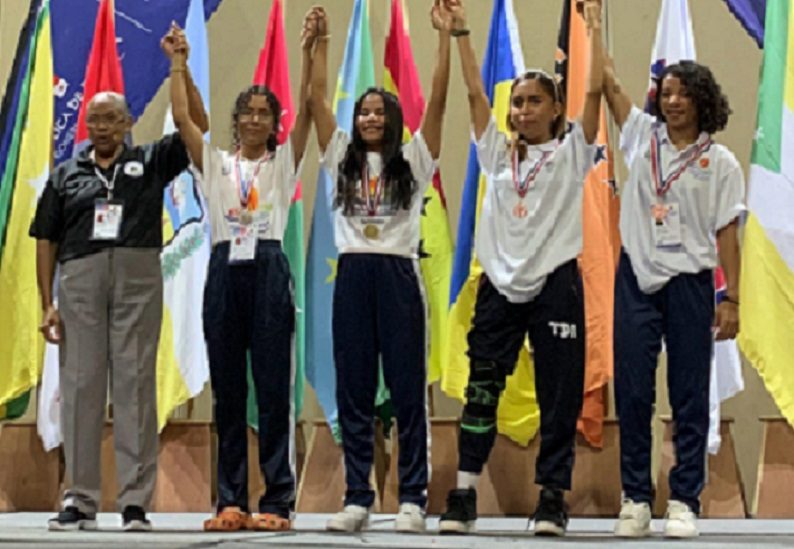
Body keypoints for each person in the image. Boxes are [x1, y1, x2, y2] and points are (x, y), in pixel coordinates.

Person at [437, 0, 604, 537]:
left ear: (556, 110)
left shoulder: (574, 152)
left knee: (559, 394)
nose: (524, 110)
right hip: (499, 286)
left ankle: (552, 499)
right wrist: (461, 34)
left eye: (535, 102)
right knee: (482, 389)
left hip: (555, 283)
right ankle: (464, 493)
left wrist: (594, 29)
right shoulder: (495, 153)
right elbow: (473, 93)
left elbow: (595, 93)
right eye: (518, 102)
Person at [32, 29, 208, 532]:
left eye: (111, 118)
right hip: (80, 278)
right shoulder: (66, 174)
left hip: (137, 275)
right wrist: (48, 302)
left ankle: (134, 502)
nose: (102, 127)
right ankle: (80, 498)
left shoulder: (150, 161)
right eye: (95, 120)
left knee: (134, 387)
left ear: (129, 122)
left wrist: (179, 66)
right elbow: (45, 239)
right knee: (81, 386)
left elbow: (197, 125)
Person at [168, 12, 315, 531]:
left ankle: (277, 501)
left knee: (273, 393)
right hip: (224, 267)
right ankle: (229, 501)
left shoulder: (283, 164)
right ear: (235, 121)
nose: (254, 120)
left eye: (263, 113)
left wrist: (310, 52)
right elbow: (183, 119)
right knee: (228, 393)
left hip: (269, 267)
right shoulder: (214, 163)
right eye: (247, 112)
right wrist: (178, 64)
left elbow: (309, 110)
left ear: (275, 123)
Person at [308, 2, 450, 534]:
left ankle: (412, 498)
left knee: (409, 390)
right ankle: (356, 497)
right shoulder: (341, 157)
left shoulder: (413, 159)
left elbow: (439, 99)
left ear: (393, 119)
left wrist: (445, 38)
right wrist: (319, 44)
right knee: (355, 390)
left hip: (397, 276)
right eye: (363, 111)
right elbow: (316, 99)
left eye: (379, 112)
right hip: (352, 277)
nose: (370, 118)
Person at [602, 40, 744, 538]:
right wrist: (594, 23)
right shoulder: (641, 137)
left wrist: (732, 298)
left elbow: (727, 233)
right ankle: (636, 499)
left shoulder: (721, 162)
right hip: (637, 279)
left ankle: (684, 500)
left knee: (689, 393)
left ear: (702, 100)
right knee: (634, 391)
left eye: (683, 93)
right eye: (665, 93)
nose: (673, 101)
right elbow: (608, 83)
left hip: (691, 283)